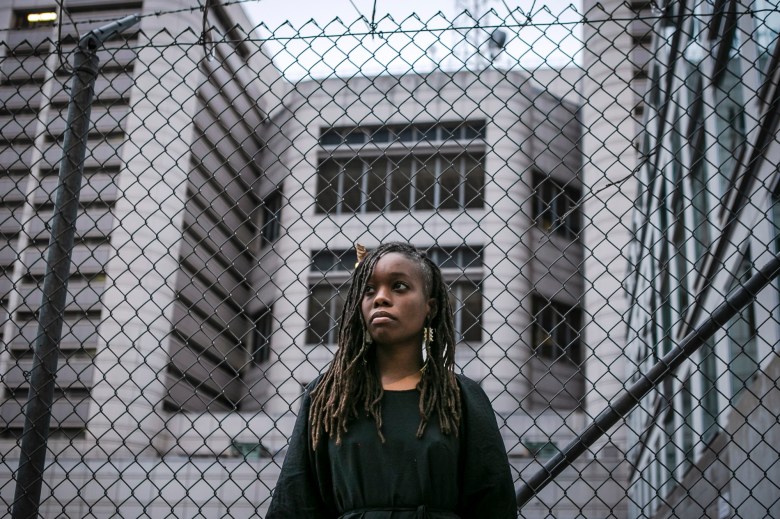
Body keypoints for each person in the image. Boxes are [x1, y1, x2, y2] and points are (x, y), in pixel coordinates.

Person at [266, 242, 517, 518]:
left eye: (399, 286)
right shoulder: (327, 396)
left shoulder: (462, 397)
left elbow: (494, 504)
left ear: (429, 308)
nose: (380, 298)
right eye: (369, 290)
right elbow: (294, 504)